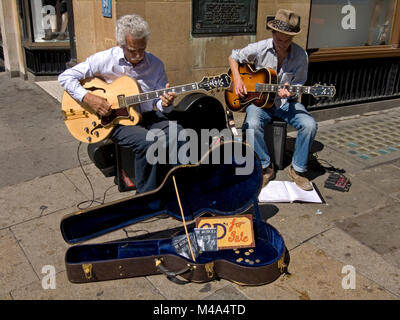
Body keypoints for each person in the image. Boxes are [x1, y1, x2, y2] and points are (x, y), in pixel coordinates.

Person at [58, 14, 184, 194]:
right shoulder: (104, 59)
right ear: (121, 45)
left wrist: (166, 103)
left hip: (146, 115)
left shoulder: (155, 64)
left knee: (178, 134)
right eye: (133, 50)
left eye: (142, 49)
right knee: (149, 142)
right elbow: (66, 77)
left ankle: (176, 190)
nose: (138, 55)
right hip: (114, 120)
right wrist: (88, 98)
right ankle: (147, 197)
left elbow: (159, 104)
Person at [228, 9, 317, 191]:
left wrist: (290, 93)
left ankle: (298, 170)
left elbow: (299, 83)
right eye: (279, 39)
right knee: (251, 124)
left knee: (309, 125)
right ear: (273, 33)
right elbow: (233, 56)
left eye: (287, 40)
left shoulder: (301, 56)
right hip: (260, 103)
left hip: (286, 103)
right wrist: (237, 79)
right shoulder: (261, 47)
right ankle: (266, 167)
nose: (283, 44)